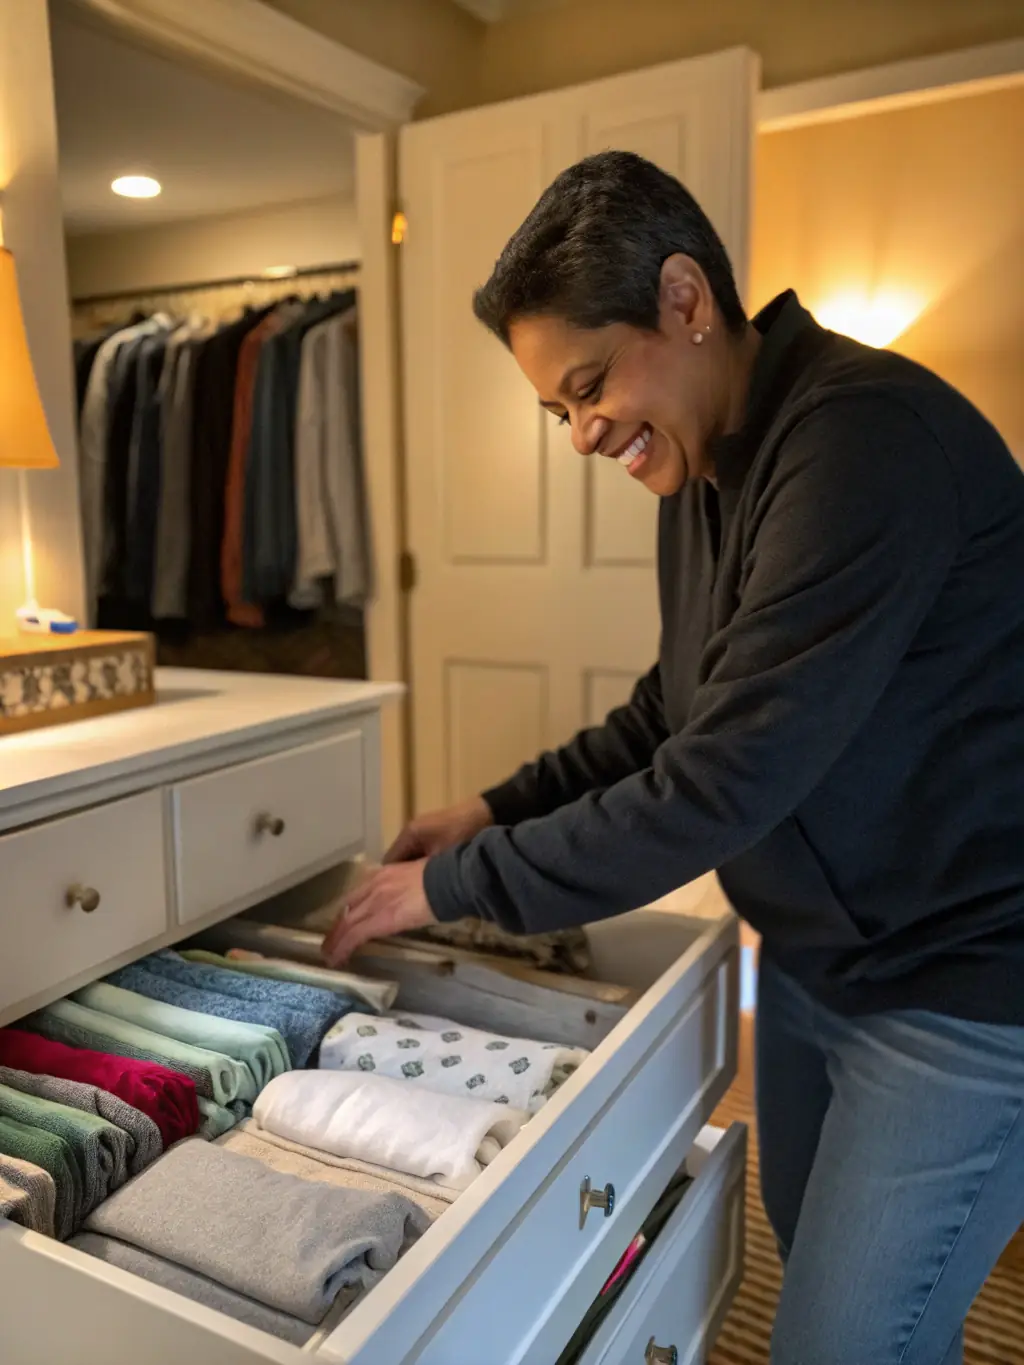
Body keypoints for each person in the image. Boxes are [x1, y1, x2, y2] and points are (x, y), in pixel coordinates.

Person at [324, 151, 1024, 1364]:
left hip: (965, 983)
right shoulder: (706, 468)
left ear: (686, 300)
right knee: (852, 1302)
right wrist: (491, 806)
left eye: (589, 386)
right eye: (559, 410)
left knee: (845, 1341)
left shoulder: (863, 446)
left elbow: (718, 782)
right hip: (812, 965)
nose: (584, 434)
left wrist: (450, 889)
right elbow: (673, 712)